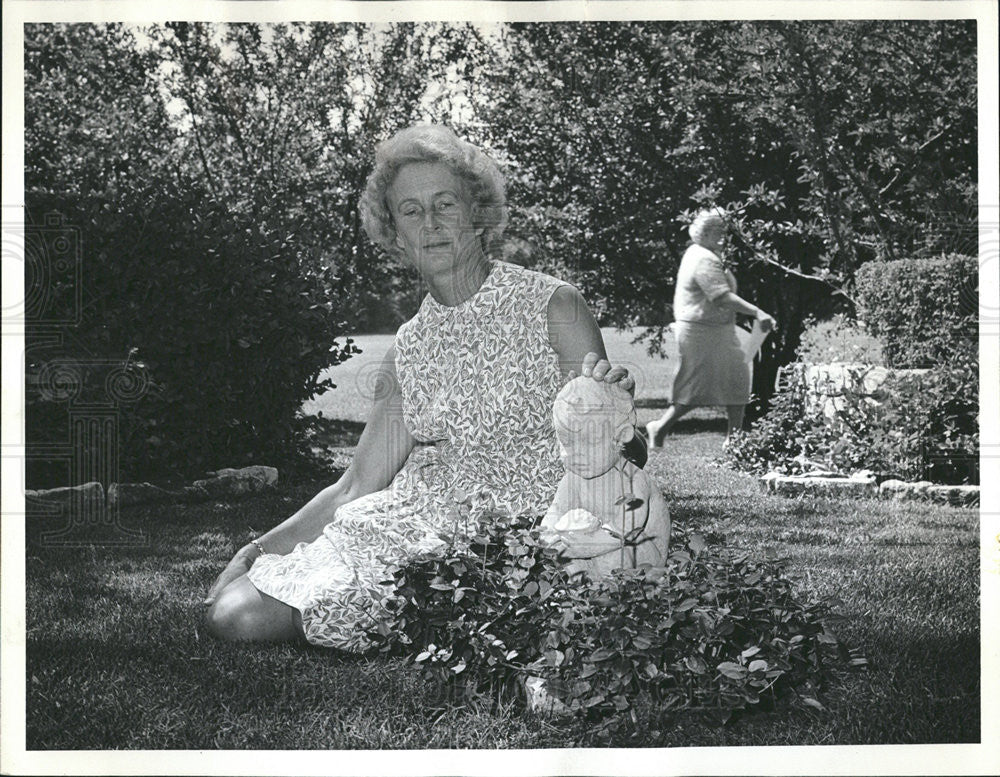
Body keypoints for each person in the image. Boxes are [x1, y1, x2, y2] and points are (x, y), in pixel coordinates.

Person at [203, 124, 638, 650]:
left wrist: (616, 412)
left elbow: (619, 455)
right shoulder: (410, 345)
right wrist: (254, 551)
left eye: (445, 204)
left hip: (517, 536)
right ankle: (405, 611)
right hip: (411, 522)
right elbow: (356, 485)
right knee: (234, 612)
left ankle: (424, 615)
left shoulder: (554, 307)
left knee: (244, 620)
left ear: (477, 213)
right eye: (411, 211)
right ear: (395, 233)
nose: (430, 223)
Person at [646, 208, 776, 447]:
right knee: (696, 387)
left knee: (737, 377)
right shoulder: (703, 258)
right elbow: (720, 297)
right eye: (716, 230)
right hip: (700, 331)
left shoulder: (704, 254)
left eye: (724, 230)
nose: (722, 235)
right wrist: (757, 312)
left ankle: (733, 439)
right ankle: (660, 427)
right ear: (702, 233)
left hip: (717, 329)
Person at [540, 376, 670, 580]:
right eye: (566, 442)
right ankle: (585, 594)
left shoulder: (634, 480)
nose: (576, 453)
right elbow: (552, 517)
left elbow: (624, 530)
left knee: (612, 555)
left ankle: (618, 596)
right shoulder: (571, 479)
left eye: (589, 442)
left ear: (622, 435)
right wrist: (551, 535)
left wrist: (582, 547)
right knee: (564, 555)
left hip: (642, 557)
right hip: (590, 548)